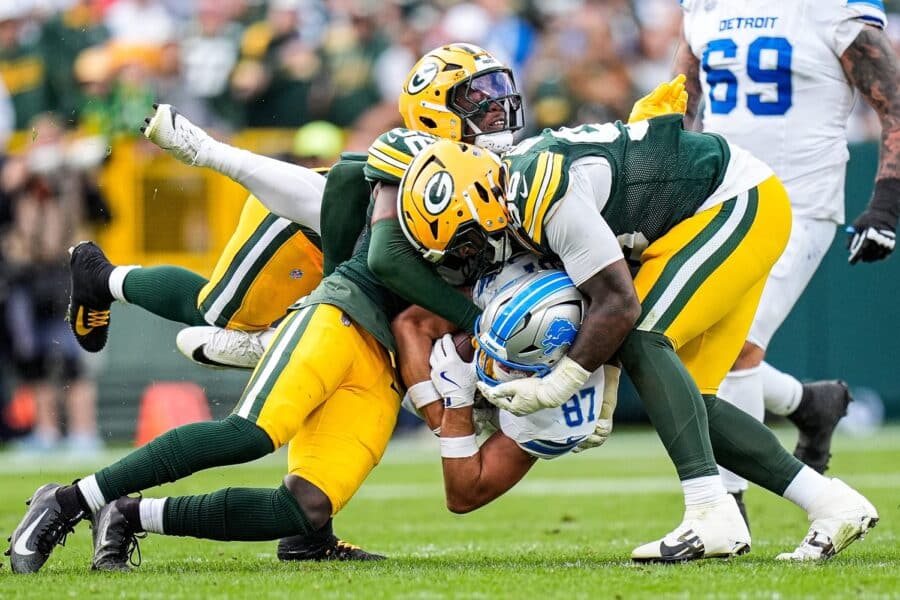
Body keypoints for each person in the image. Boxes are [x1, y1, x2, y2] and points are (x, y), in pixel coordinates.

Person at [396, 127, 878, 562]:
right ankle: (832, 504)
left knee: (648, 337)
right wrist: (605, 385)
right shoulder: (518, 191)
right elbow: (612, 279)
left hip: (733, 201)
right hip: (718, 211)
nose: (468, 258)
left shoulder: (535, 194)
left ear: (483, 203)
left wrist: (560, 384)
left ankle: (711, 512)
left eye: (466, 243)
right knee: (693, 405)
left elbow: (620, 305)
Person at [7, 151, 403, 574]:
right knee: (217, 313)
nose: (487, 105)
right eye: (477, 94)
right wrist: (202, 147)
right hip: (310, 239)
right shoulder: (432, 162)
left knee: (307, 503)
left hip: (375, 339)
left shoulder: (474, 174)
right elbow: (347, 181)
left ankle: (302, 536)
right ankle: (101, 278)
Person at [672, 0, 900, 511]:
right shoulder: (705, 8)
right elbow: (680, 105)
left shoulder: (828, 9)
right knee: (686, 347)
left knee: (735, 349)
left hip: (801, 200)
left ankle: (727, 509)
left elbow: (895, 103)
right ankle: (810, 405)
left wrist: (885, 204)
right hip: (725, 198)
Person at [400, 258, 620, 513]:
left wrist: (458, 402)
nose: (490, 366)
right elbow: (410, 323)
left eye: (509, 365)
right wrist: (439, 419)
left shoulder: (560, 418)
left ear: (550, 363)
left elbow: (464, 495)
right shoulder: (505, 283)